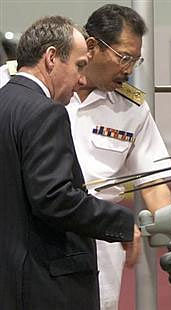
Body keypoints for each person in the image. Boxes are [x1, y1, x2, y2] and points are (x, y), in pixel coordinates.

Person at [0, 16, 140, 310]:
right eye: (78, 65)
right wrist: (124, 223)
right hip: (44, 287)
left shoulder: (5, 102)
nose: (80, 79)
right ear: (51, 58)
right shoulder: (45, 112)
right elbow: (54, 198)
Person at [67, 4, 171, 310]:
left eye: (135, 60)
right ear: (91, 46)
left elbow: (153, 184)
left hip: (100, 242)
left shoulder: (132, 109)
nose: (129, 69)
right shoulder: (34, 88)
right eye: (124, 57)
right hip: (36, 231)